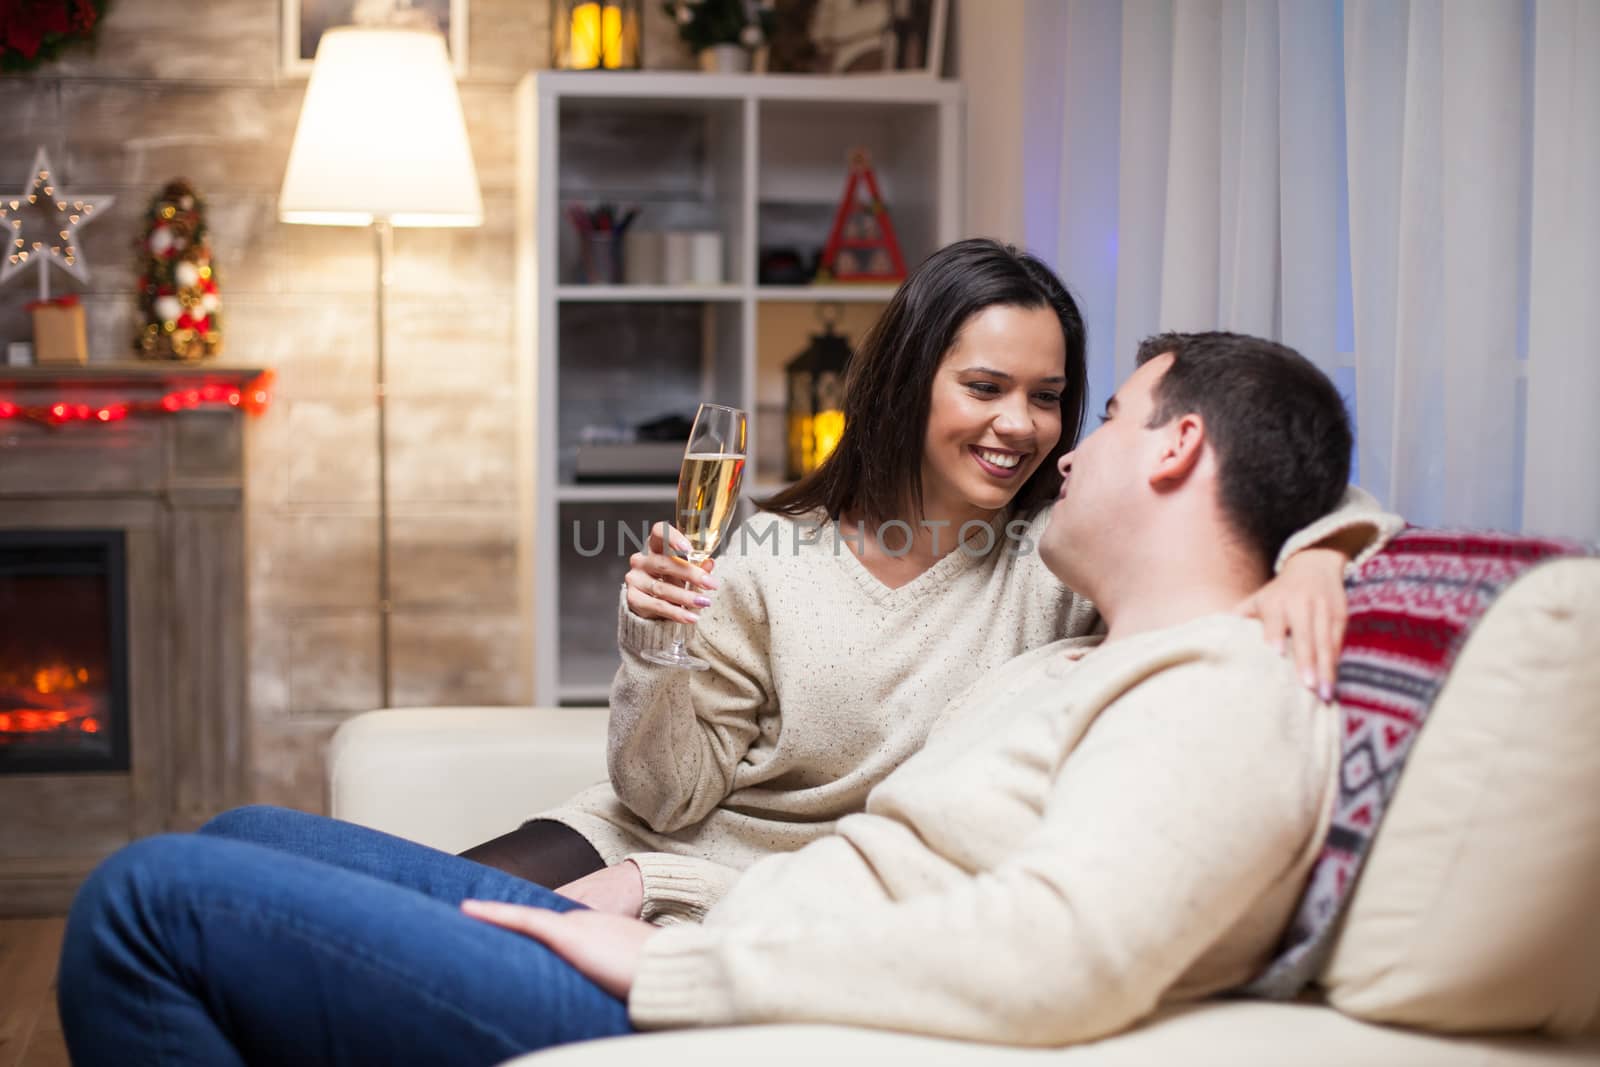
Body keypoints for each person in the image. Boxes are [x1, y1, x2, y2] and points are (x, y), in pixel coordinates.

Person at [58, 330, 1360, 1063]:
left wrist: (683, 958)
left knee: (143, 898)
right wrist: (1317, 542)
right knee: (236, 845)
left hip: (718, 989)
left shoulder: (1221, 685)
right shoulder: (1085, 644)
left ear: (1180, 446)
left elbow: (1051, 955)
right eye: (992, 389)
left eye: (1097, 412)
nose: (1056, 443)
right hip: (704, 914)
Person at [456, 239, 1393, 896]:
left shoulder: (1063, 556)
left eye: (1050, 397)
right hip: (644, 836)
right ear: (909, 382)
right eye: (985, 387)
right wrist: (658, 645)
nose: (1021, 424)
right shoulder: (777, 556)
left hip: (750, 889)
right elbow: (663, 797)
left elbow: (1289, 481)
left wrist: (1317, 551)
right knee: (389, 901)